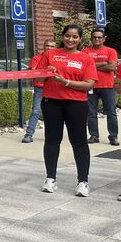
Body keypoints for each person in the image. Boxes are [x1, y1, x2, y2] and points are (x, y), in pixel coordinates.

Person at [35, 24, 98, 196]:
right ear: (62, 37)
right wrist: (45, 72)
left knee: (79, 142)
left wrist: (65, 82)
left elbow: (89, 84)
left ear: (79, 39)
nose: (70, 40)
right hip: (51, 103)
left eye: (75, 37)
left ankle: (83, 181)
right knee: (52, 140)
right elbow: (38, 78)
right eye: (67, 36)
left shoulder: (86, 59)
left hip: (76, 104)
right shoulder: (50, 54)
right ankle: (50, 179)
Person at [83, 28, 119, 146]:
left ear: (104, 39)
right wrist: (103, 63)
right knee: (91, 113)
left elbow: (112, 68)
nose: (97, 39)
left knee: (111, 113)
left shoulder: (111, 51)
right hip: (90, 85)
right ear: (91, 38)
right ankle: (94, 136)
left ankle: (113, 137)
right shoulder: (85, 51)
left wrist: (92, 65)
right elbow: (83, 67)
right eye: (94, 37)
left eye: (99, 37)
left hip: (108, 87)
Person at [21, 39, 58, 143]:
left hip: (54, 88)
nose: (49, 48)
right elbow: (34, 73)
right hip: (40, 88)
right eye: (47, 46)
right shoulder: (36, 58)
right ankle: (29, 134)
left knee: (54, 112)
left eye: (52, 46)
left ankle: (52, 135)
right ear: (44, 46)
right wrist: (46, 69)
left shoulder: (58, 58)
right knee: (36, 111)